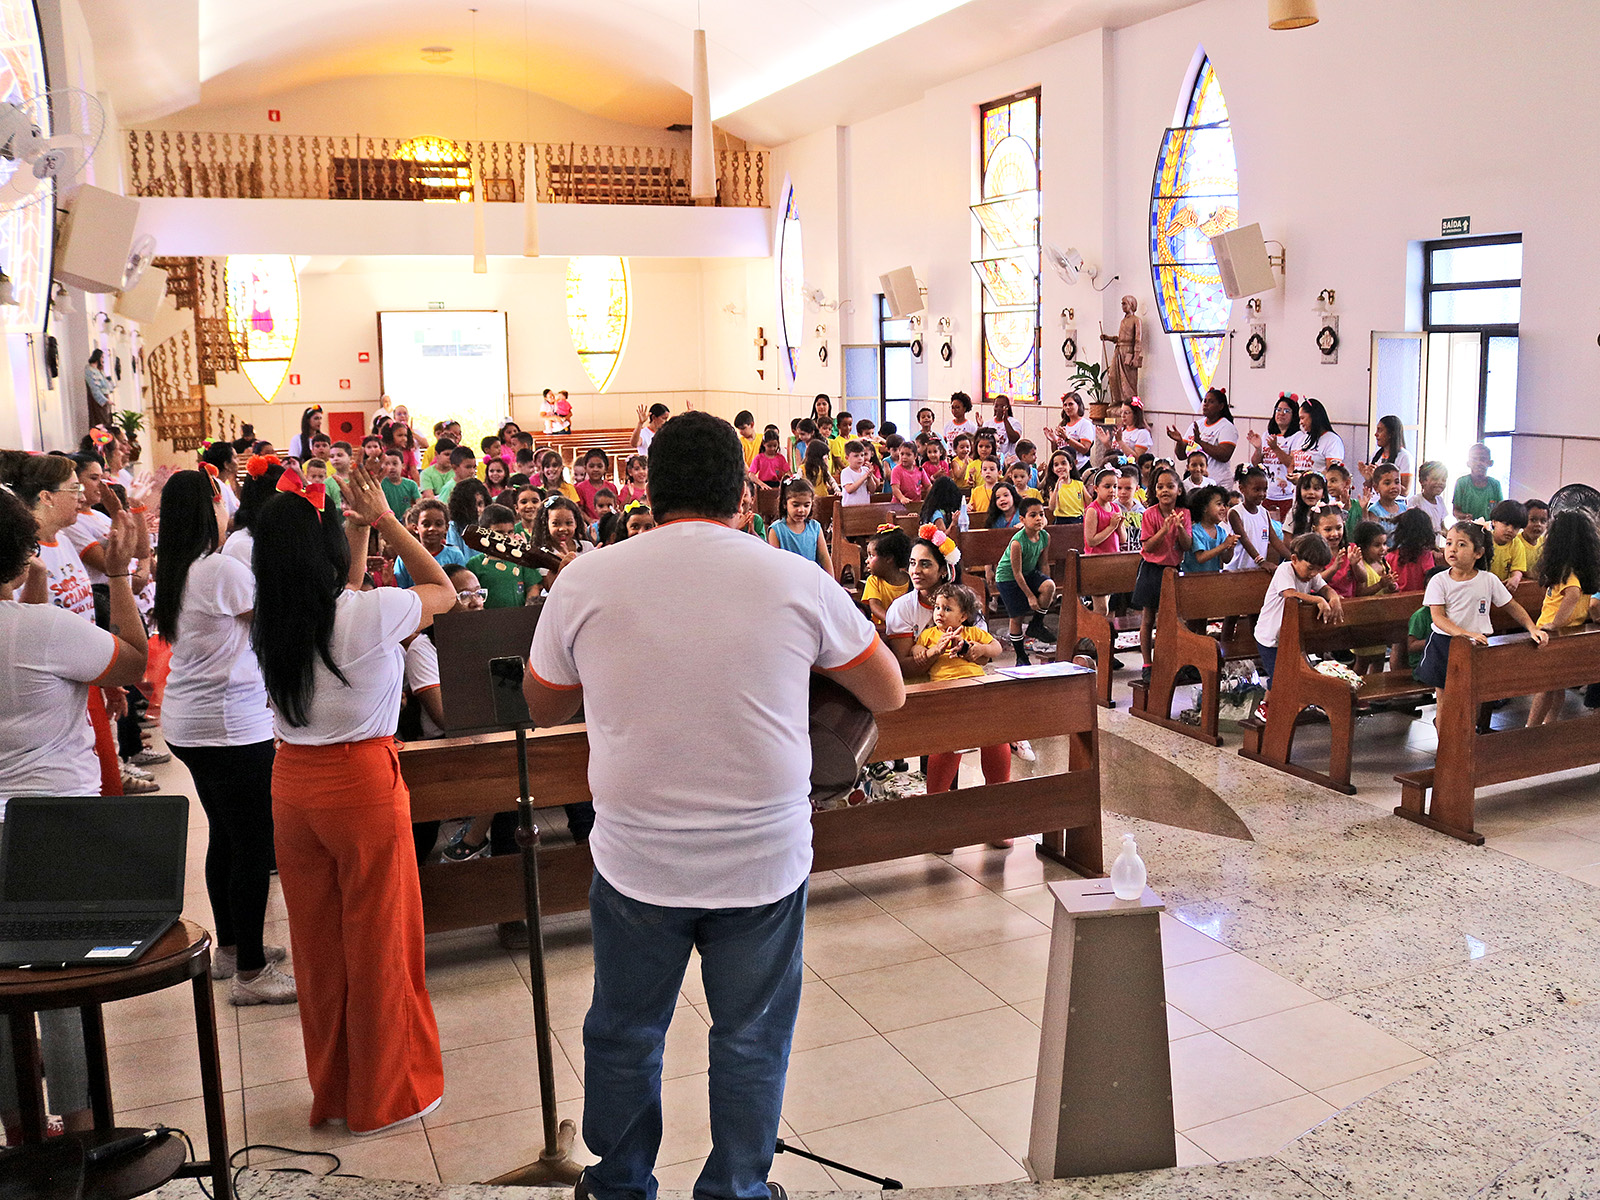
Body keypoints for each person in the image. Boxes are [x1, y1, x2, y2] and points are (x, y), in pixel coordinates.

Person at [521, 411, 903, 1200]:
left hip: (638, 858)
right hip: (761, 860)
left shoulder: (587, 578)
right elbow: (888, 691)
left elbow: (544, 705)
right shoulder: (795, 578)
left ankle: (620, 1185)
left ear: (648, 491)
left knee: (625, 1033)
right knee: (751, 1038)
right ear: (744, 493)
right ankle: (736, 1190)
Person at [251, 463, 456, 1136]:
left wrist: (359, 532)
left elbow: (344, 590)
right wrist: (389, 521)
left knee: (320, 949)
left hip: (292, 788)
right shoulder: (368, 615)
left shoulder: (272, 620)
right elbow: (443, 591)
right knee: (380, 942)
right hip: (360, 787)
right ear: (326, 552)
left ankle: (336, 1091)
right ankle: (387, 1096)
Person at [0, 484, 146, 1138]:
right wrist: (119, 576)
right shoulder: (44, 630)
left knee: (3, 989)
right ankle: (83, 1130)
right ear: (21, 552)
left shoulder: (34, 628)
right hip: (55, 824)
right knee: (63, 982)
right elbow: (132, 663)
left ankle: (22, 1136)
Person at [155, 470, 295, 1004]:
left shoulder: (178, 567)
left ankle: (234, 950)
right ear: (208, 507)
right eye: (222, 502)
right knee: (253, 843)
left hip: (191, 720)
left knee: (227, 834)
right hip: (228, 725)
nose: (228, 511)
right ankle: (251, 974)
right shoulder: (218, 569)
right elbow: (275, 620)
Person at [1415, 522, 1543, 691]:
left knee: (1475, 691)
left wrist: (1532, 628)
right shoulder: (1439, 581)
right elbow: (1438, 617)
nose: (1452, 549)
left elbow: (1512, 606)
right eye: (1449, 543)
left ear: (1478, 553)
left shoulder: (1488, 579)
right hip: (1445, 643)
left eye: (1461, 545)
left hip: (1478, 642)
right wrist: (1466, 634)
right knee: (1445, 692)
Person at [1253, 533, 1342, 723]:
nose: (1314, 574)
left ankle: (1294, 703)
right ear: (1294, 559)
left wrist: (1333, 597)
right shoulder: (1285, 569)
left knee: (1293, 672)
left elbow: (1325, 588)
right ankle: (1265, 706)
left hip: (1290, 636)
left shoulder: (1311, 574)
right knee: (1279, 676)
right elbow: (1289, 594)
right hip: (1269, 637)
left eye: (1319, 569)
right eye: (1311, 568)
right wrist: (1318, 599)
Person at [1527, 511, 1600, 725]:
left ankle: (1531, 728)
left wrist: (1555, 623)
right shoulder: (1580, 569)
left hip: (1554, 634)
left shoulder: (1567, 571)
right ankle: (1549, 724)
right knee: (1556, 687)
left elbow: (1573, 594)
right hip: (1567, 632)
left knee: (1544, 687)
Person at [1131, 463, 1192, 683]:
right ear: (1155, 491)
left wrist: (1180, 528)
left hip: (1173, 570)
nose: (1165, 490)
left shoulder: (1185, 513)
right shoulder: (1149, 514)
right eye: (1160, 487)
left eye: (1170, 486)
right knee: (1148, 618)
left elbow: (1186, 545)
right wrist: (1165, 530)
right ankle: (1147, 663)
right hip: (1152, 569)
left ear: (1179, 490)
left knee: (1174, 619)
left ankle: (1174, 661)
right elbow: (1148, 546)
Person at [994, 497, 1057, 664]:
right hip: (1008, 578)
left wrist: (1047, 585)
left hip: (1028, 573)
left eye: (1041, 514)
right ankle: (1021, 656)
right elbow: (1016, 573)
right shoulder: (1018, 542)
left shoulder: (1045, 536)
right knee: (1017, 616)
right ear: (1022, 519)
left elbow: (1043, 564)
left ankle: (1036, 625)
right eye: (1033, 515)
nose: (1038, 519)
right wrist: (1030, 596)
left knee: (1049, 586)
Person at [1165, 387, 1238, 486]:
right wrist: (1179, 441)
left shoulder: (1227, 427)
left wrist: (1200, 442)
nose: (1205, 404)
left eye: (1211, 402)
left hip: (1219, 482)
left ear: (1221, 406)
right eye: (1205, 401)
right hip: (1196, 482)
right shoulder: (1196, 425)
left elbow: (1224, 455)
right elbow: (1181, 456)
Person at [767, 476, 831, 572]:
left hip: (811, 577)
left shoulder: (815, 527)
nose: (801, 510)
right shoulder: (776, 530)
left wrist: (831, 580)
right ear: (785, 504)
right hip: (788, 578)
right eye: (795, 505)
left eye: (806, 505)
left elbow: (824, 558)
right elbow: (775, 564)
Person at [1101, 295, 1144, 410]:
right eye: (1122, 304)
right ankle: (1117, 400)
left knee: (1128, 380)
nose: (1122, 306)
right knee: (1113, 375)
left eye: (1124, 303)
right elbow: (1120, 338)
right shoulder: (1123, 321)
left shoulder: (1136, 320)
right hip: (1119, 351)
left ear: (1131, 304)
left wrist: (1136, 357)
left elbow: (1138, 340)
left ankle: (1130, 403)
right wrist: (1108, 338)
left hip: (1128, 352)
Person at [862, 527, 911, 628]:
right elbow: (875, 606)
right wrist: (894, 622)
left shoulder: (910, 580)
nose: (867, 560)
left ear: (888, 558)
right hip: (883, 628)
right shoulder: (873, 581)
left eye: (871, 555)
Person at [1360, 415, 1413, 498]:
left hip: (1394, 504)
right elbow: (1370, 489)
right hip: (1375, 502)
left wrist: (1381, 477)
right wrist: (1368, 478)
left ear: (1391, 434)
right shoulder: (1375, 455)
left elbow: (1405, 492)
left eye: (1380, 430)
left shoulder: (1404, 456)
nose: (1376, 434)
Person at [1452, 443, 1503, 521]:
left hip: (1488, 527)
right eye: (1474, 459)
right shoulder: (1462, 483)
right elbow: (1455, 510)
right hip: (1466, 526)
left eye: (1483, 459)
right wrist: (1464, 516)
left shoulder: (1495, 484)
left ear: (1490, 463)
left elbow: (1500, 511)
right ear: (1468, 463)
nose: (1478, 463)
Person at [1410, 461, 1450, 538]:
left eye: (1443, 480)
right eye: (1435, 479)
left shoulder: (1440, 501)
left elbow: (1442, 527)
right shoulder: (1415, 501)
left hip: (1435, 545)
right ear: (1422, 481)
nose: (1440, 482)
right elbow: (1412, 529)